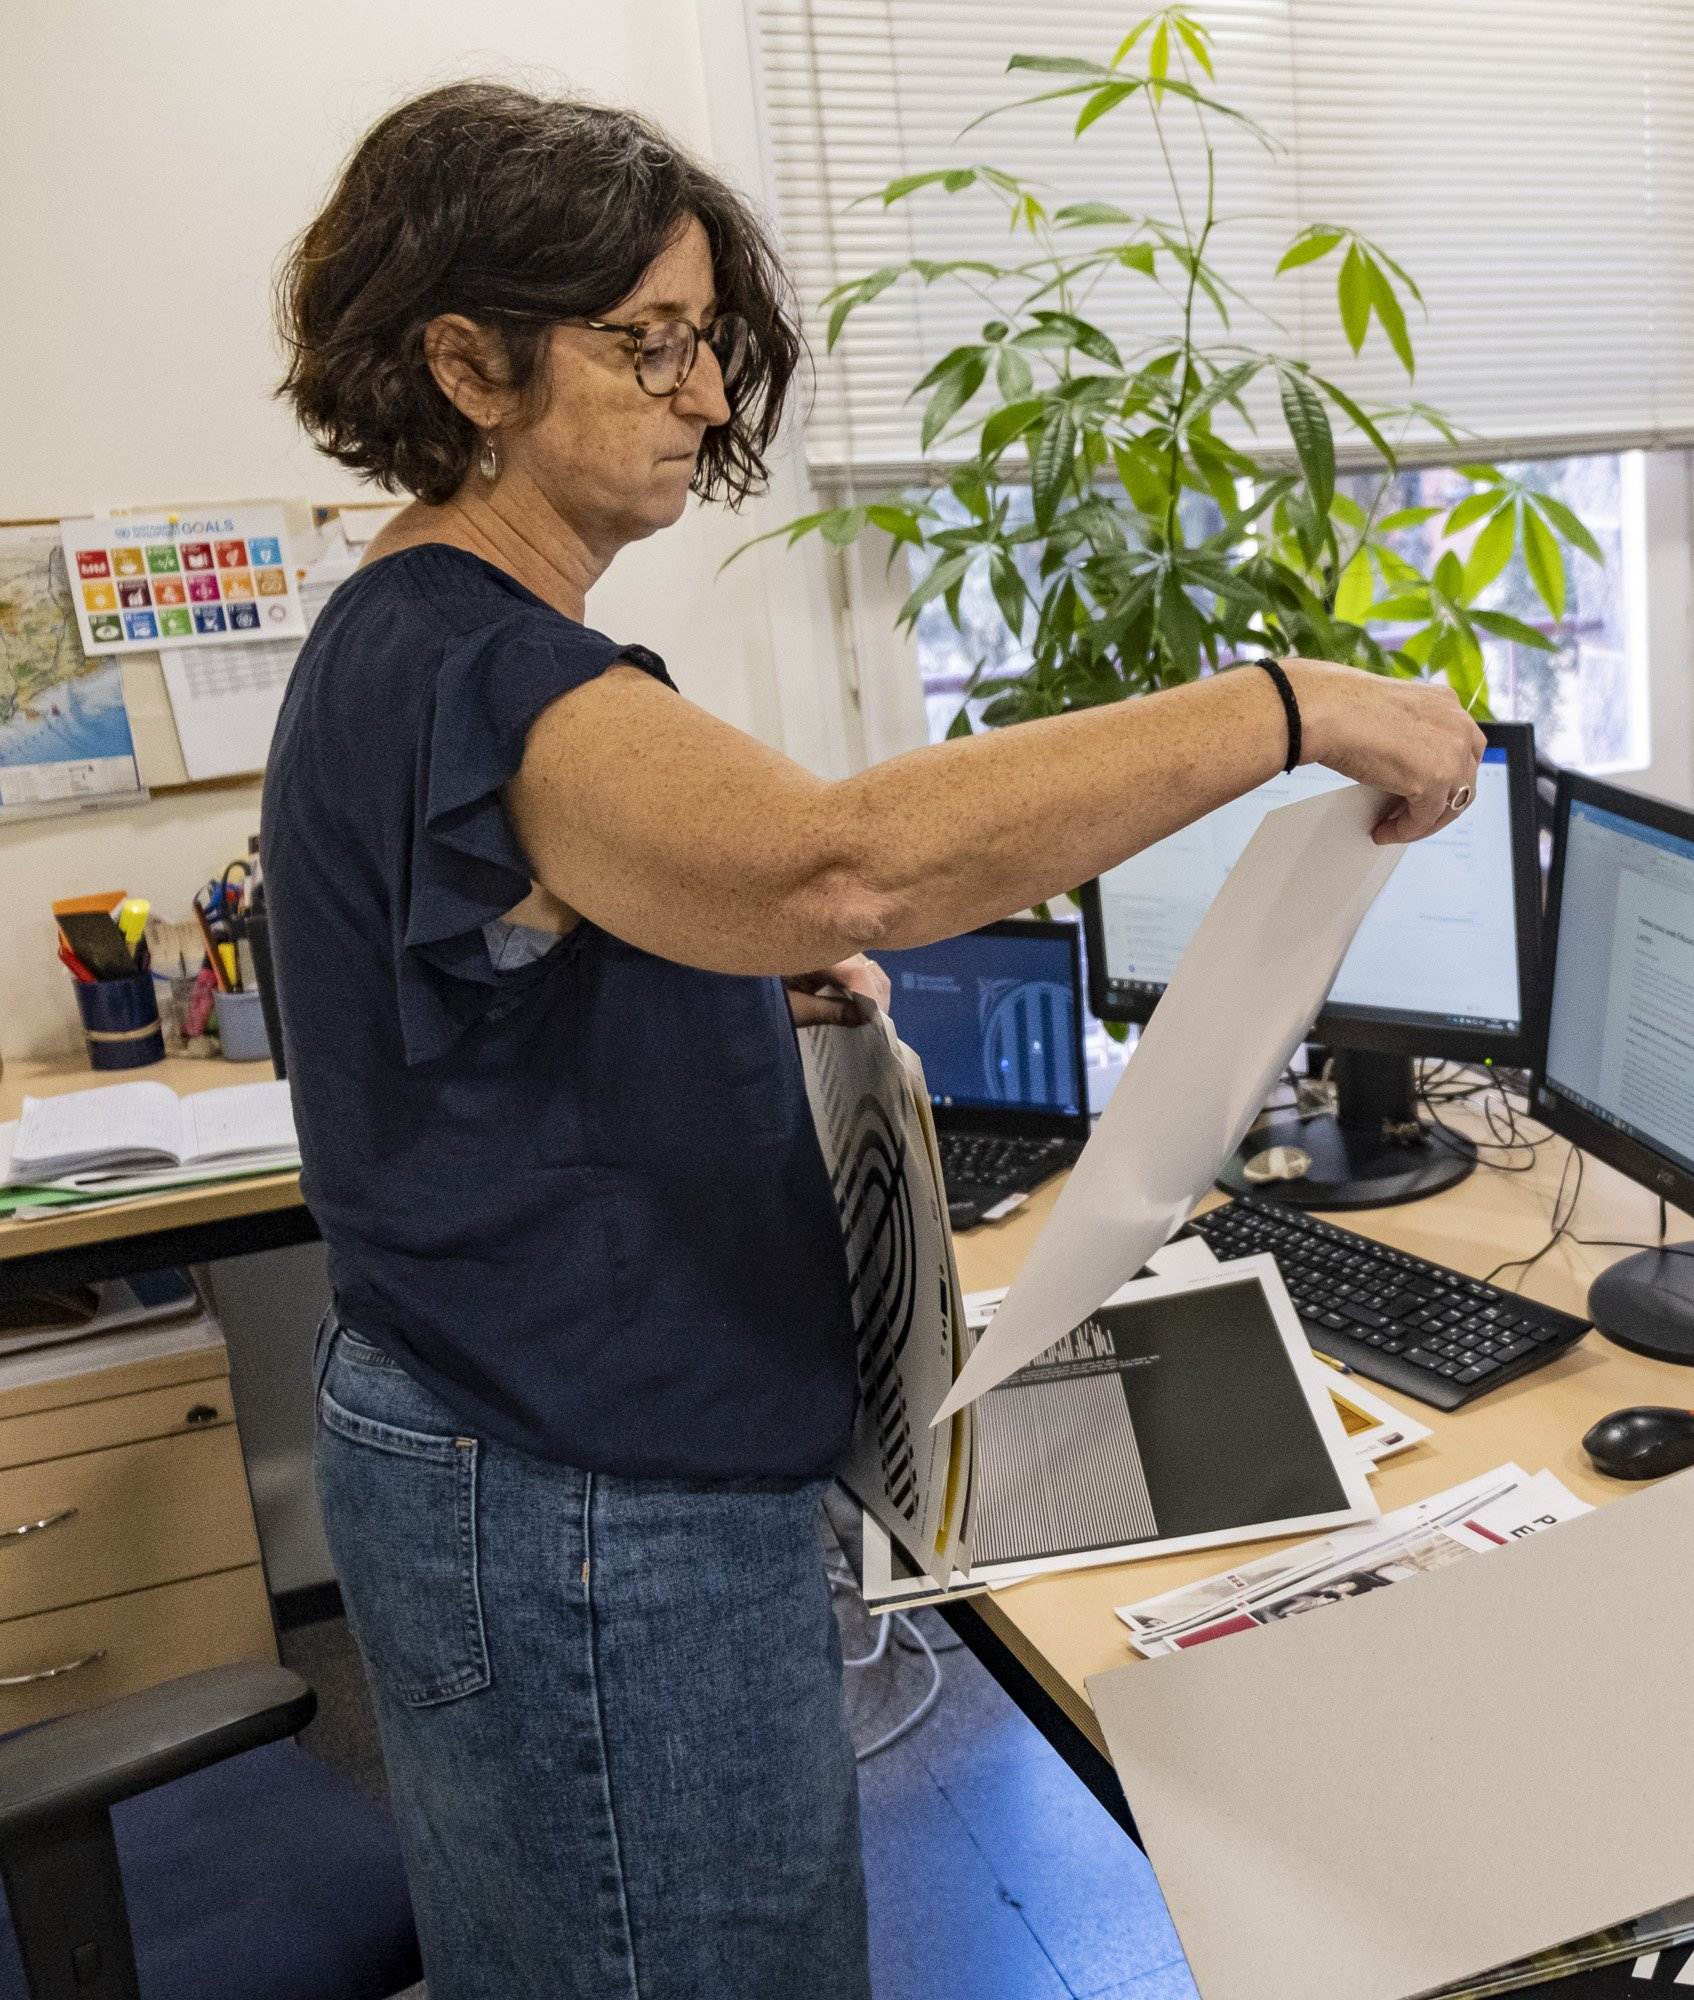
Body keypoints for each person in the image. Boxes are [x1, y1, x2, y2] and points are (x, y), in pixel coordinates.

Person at [264, 83, 1482, 1999]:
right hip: (583, 1511)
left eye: (709, 348)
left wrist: (702, 976)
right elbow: (841, 864)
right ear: (467, 361)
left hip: (549, 1457)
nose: (706, 401)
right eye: (648, 345)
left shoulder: (448, 648)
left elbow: (564, 958)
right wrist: (1292, 701)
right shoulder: (475, 659)